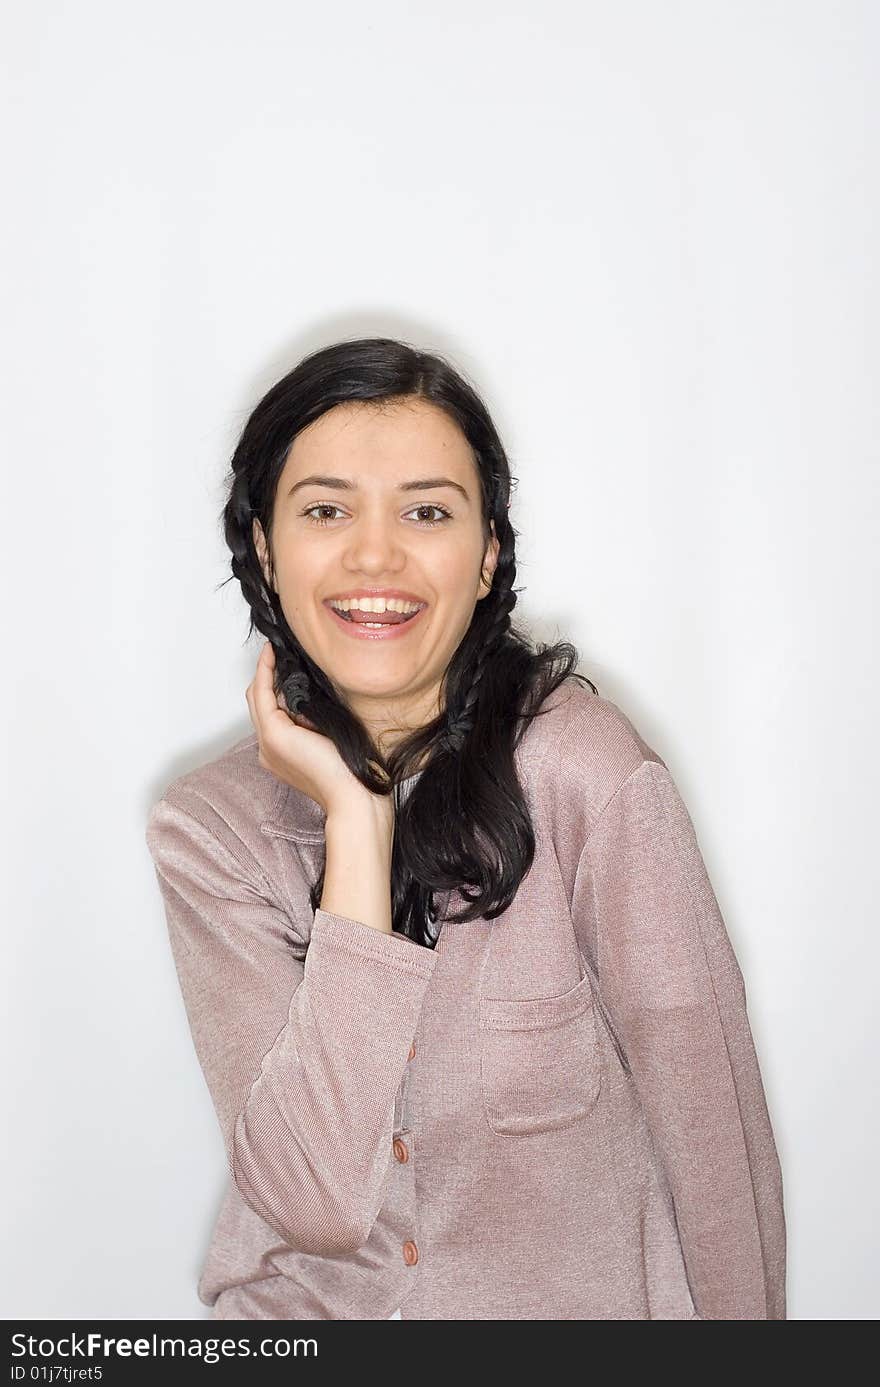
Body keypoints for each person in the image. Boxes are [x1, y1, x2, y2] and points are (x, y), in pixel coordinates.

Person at [144, 336, 786, 1320]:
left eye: (427, 511)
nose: (373, 555)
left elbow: (713, 1130)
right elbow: (315, 1200)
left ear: (486, 554)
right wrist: (357, 823)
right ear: (266, 550)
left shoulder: (587, 772)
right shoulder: (211, 830)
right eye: (324, 509)